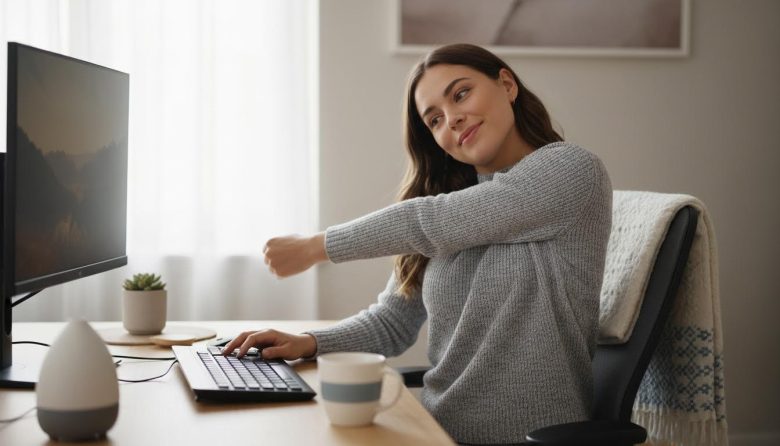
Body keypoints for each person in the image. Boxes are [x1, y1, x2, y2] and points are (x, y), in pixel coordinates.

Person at [223, 43, 612, 444]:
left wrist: (314, 247)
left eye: (461, 94)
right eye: (435, 120)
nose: (453, 119)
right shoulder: (451, 203)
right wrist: (308, 343)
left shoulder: (570, 170)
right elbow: (391, 322)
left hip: (526, 437)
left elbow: (429, 222)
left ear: (507, 85)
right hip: (433, 431)